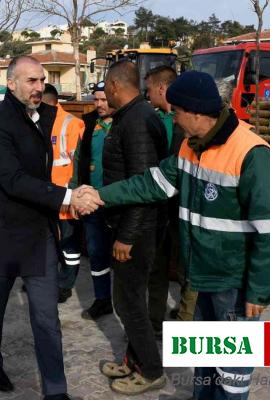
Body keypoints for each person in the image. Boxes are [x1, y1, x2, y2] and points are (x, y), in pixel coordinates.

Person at [84, 70, 270, 399]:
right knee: (206, 361)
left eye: (176, 112)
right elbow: (150, 184)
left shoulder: (251, 154)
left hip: (233, 284)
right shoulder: (190, 147)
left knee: (232, 373)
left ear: (194, 112)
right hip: (201, 276)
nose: (173, 119)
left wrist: (259, 293)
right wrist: (99, 195)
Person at [0, 56, 91, 400]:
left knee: (45, 316)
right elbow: (13, 181)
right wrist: (70, 196)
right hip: (2, 233)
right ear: (11, 84)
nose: (39, 87)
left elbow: (82, 119)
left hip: (38, 233)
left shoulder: (41, 115)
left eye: (42, 80)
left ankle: (56, 390)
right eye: (31, 81)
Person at [90, 60, 168, 396]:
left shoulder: (137, 121)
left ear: (114, 85)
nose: (104, 93)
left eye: (105, 87)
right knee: (126, 299)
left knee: (130, 302)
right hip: (124, 224)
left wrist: (127, 236)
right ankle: (132, 359)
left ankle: (150, 370)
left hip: (136, 231)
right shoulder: (130, 116)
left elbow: (144, 184)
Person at [145, 65, 198, 324]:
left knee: (188, 267)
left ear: (161, 88)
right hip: (160, 206)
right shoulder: (157, 120)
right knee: (157, 266)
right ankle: (154, 320)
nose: (147, 95)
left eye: (149, 89)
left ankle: (185, 320)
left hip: (181, 208)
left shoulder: (184, 126)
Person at [68, 81, 115, 320]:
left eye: (104, 99)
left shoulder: (124, 125)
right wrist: (75, 195)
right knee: (97, 252)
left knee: (124, 256)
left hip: (118, 203)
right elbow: (78, 161)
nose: (99, 104)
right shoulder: (87, 125)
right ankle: (103, 298)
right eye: (96, 99)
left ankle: (130, 306)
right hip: (91, 202)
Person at [41, 83, 85, 304]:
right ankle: (47, 280)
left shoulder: (70, 123)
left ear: (49, 102)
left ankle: (65, 284)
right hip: (45, 196)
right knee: (49, 241)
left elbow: (78, 164)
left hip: (66, 196)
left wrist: (74, 197)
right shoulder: (39, 122)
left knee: (68, 243)